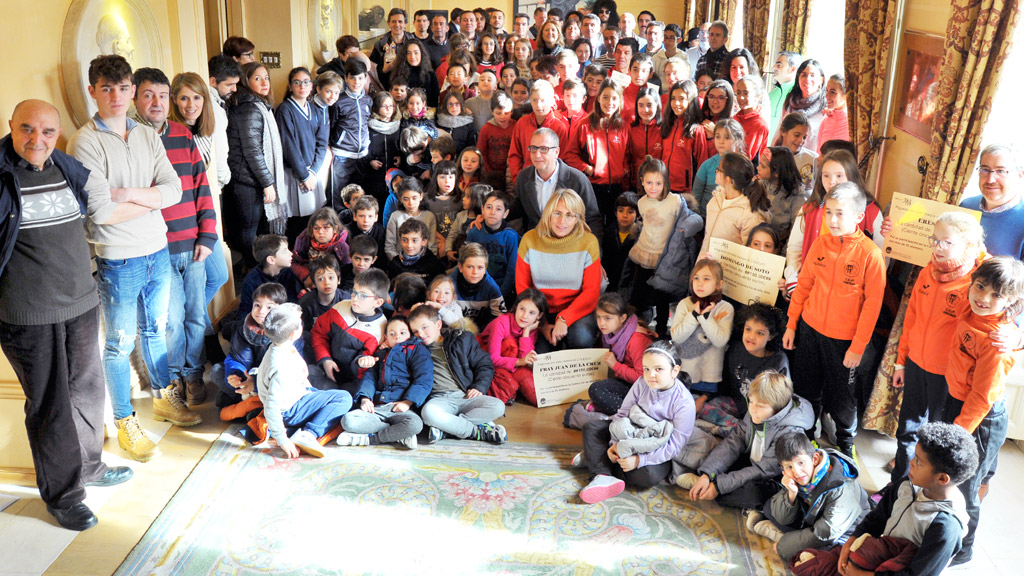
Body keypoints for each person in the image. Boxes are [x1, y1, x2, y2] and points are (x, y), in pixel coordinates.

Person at [0, 99, 134, 530]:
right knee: (52, 406)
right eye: (26, 129)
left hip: (80, 302)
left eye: (47, 132)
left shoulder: (63, 165)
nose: (36, 140)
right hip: (28, 314)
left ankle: (90, 466)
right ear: (10, 127)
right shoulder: (2, 175)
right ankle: (63, 495)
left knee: (89, 392)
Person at [68, 55, 184, 463]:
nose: (116, 96)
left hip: (157, 248)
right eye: (106, 88)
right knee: (119, 344)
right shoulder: (85, 141)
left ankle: (165, 398)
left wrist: (129, 195)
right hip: (118, 257)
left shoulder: (146, 134)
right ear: (92, 91)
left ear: (132, 90)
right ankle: (125, 423)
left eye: (122, 88)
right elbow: (100, 212)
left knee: (155, 330)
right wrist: (148, 199)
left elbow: (174, 191)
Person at [132, 67, 217, 408]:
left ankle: (196, 374)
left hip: (193, 245)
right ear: (135, 97)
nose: (156, 102)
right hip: (158, 249)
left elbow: (202, 189)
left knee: (197, 314)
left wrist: (207, 237)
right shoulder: (133, 140)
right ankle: (176, 376)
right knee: (171, 319)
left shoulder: (182, 134)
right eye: (148, 95)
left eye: (163, 96)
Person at [782, 183, 885, 459]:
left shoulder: (870, 255)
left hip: (845, 341)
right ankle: (806, 435)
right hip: (810, 330)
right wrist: (792, 323)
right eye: (829, 213)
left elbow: (872, 307)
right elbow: (803, 285)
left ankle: (845, 441)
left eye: (840, 214)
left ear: (858, 217)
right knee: (806, 388)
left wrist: (858, 346)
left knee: (842, 398)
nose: (833, 220)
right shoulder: (820, 244)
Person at [940, 256, 1024, 566]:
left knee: (967, 485)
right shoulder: (969, 306)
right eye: (980, 287)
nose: (983, 298)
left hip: (980, 417)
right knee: (952, 475)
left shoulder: (996, 339)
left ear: (1012, 300)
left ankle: (964, 548)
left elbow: (983, 397)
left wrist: (959, 432)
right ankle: (943, 525)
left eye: (996, 295)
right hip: (958, 401)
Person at [829, 422, 977, 576]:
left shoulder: (946, 527)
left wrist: (862, 575)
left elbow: (918, 573)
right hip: (882, 556)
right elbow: (877, 518)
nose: (911, 463)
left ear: (941, 478)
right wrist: (852, 540)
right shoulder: (907, 484)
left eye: (918, 461)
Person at [577, 341, 696, 504]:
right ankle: (603, 476)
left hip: (654, 447)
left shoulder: (685, 403)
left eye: (658, 369)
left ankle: (597, 459)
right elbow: (622, 414)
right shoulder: (642, 383)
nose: (650, 375)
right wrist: (615, 443)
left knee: (646, 476)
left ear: (674, 371)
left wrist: (639, 460)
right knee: (592, 427)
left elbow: (673, 446)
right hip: (629, 432)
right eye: (646, 369)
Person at [680, 371, 814, 512]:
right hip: (753, 459)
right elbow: (735, 441)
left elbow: (763, 470)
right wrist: (708, 473)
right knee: (717, 458)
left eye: (760, 406)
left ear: (777, 409)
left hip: (772, 476)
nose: (752, 410)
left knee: (752, 494)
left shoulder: (788, 433)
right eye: (751, 402)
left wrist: (719, 486)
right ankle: (705, 482)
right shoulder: (755, 412)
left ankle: (723, 495)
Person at [755, 432, 870, 563]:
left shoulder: (841, 487)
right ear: (783, 469)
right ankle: (788, 538)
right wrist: (791, 493)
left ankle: (780, 537)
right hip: (814, 519)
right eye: (789, 467)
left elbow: (825, 533)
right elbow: (782, 516)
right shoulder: (800, 476)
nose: (796, 472)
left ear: (814, 459)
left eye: (801, 463)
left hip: (844, 534)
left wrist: (783, 547)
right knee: (771, 508)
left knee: (823, 561)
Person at [258, 303, 352, 458]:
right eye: (300, 321)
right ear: (294, 333)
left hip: (298, 394)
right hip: (289, 410)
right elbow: (272, 406)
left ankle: (297, 427)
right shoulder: (282, 367)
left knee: (323, 388)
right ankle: (308, 434)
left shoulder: (281, 345)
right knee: (344, 398)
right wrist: (283, 440)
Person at [516, 188, 601, 351]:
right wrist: (542, 325)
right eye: (557, 213)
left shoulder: (589, 242)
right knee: (539, 352)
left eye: (569, 215)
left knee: (580, 338)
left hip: (577, 309)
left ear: (578, 219)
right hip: (540, 310)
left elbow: (591, 292)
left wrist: (564, 318)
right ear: (548, 214)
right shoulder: (529, 240)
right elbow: (523, 288)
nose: (562, 221)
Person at [408, 304, 508, 443]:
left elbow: (484, 364)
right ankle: (476, 431)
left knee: (498, 406)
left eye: (425, 327)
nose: (421, 334)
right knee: (428, 413)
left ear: (438, 324)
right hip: (439, 400)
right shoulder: (415, 350)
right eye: (415, 331)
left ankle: (446, 429)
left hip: (464, 395)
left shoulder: (462, 339)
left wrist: (479, 387)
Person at [337, 315, 432, 449]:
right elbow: (370, 377)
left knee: (415, 425)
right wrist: (365, 398)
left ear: (410, 335)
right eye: (392, 334)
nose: (397, 337)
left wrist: (407, 402)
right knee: (348, 421)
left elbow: (424, 379)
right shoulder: (381, 354)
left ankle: (371, 438)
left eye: (402, 333)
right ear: (386, 337)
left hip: (402, 408)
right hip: (378, 408)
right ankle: (397, 434)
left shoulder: (416, 350)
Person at [225, 61, 285, 268]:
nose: (264, 82)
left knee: (253, 229)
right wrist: (268, 182)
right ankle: (254, 270)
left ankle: (257, 269)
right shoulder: (248, 108)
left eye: (266, 78)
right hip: (245, 179)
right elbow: (252, 151)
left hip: (249, 178)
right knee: (248, 230)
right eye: (257, 78)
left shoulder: (255, 104)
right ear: (245, 81)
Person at [509, 128, 602, 236]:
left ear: (556, 152)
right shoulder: (523, 177)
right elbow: (518, 208)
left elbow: (593, 219)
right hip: (537, 244)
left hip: (569, 245)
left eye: (543, 149)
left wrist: (593, 250)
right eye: (533, 148)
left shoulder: (577, 180)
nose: (537, 155)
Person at [670, 258, 734, 409]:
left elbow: (720, 340)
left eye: (706, 279)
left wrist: (705, 318)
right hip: (684, 374)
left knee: (703, 412)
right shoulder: (685, 304)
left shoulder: (726, 308)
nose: (700, 283)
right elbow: (677, 337)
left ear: (719, 285)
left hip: (709, 377)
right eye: (696, 278)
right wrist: (693, 315)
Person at [625, 156, 680, 331]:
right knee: (640, 290)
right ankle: (637, 326)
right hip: (645, 251)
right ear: (642, 182)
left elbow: (683, 223)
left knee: (662, 295)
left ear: (665, 181)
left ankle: (662, 330)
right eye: (649, 183)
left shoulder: (674, 202)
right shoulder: (641, 202)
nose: (653, 188)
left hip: (664, 255)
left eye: (658, 183)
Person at [311, 268, 389, 390]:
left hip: (350, 380)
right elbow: (318, 332)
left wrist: (361, 363)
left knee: (346, 392)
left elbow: (365, 372)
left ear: (378, 302)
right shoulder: (341, 307)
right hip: (324, 363)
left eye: (362, 296)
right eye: (354, 292)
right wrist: (325, 358)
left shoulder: (378, 331)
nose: (355, 299)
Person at [564, 78, 630, 220]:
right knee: (593, 225)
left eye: (614, 98)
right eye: (605, 97)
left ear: (619, 101)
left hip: (617, 187)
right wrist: (587, 169)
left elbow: (628, 154)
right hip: (592, 186)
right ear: (598, 98)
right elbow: (570, 155)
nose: (610, 103)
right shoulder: (584, 125)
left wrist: (624, 168)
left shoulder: (623, 126)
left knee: (613, 228)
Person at [275, 67, 329, 229]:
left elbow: (322, 142)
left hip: (313, 171)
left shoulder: (314, 109)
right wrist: (304, 176)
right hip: (296, 173)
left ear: (312, 86)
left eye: (306, 82)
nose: (302, 86)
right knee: (298, 221)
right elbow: (288, 145)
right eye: (297, 83)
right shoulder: (285, 110)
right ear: (290, 86)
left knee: (315, 218)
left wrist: (313, 171)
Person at [584, 293, 655, 416]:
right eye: (598, 317)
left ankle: (633, 414)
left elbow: (643, 377)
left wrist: (616, 365)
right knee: (593, 387)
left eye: (607, 318)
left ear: (622, 318)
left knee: (596, 390)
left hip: (643, 387)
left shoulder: (636, 339)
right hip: (626, 381)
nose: (601, 323)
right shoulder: (608, 333)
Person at [479, 289, 546, 405]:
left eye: (532, 313)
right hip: (488, 361)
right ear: (516, 307)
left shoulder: (531, 328)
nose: (524, 316)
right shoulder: (501, 323)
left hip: (513, 364)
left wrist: (526, 332)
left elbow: (526, 358)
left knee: (538, 396)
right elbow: (493, 358)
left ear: (539, 316)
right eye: (522, 309)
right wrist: (520, 361)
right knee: (510, 344)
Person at [957, 144, 1024, 259]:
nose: (990, 179)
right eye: (985, 169)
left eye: (1001, 171)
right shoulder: (966, 206)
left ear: (1019, 176)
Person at [699, 151, 770, 255]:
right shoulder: (716, 199)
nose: (716, 171)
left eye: (719, 170)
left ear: (729, 179)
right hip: (705, 263)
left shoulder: (749, 214)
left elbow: (748, 252)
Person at [506, 79, 568, 187]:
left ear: (552, 100)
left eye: (543, 100)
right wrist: (518, 178)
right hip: (526, 179)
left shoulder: (560, 126)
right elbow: (514, 154)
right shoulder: (522, 123)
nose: (538, 105)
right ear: (530, 100)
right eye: (535, 100)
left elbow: (563, 158)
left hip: (552, 181)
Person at [330, 59, 372, 204]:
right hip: (343, 155)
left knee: (361, 197)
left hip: (362, 156)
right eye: (352, 77)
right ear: (346, 78)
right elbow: (331, 127)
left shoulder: (367, 101)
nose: (356, 81)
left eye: (360, 77)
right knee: (340, 196)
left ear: (366, 78)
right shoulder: (338, 101)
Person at [466, 189, 519, 303]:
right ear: (482, 209)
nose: (492, 212)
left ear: (505, 213)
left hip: (501, 288)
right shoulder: (474, 232)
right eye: (489, 207)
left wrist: (500, 295)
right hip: (475, 286)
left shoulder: (510, 236)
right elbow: (467, 262)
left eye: (498, 209)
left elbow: (511, 271)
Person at [757, 146, 808, 245]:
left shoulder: (796, 196)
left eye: (763, 166)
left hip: (779, 248)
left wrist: (785, 255)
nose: (758, 168)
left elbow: (796, 230)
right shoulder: (762, 184)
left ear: (776, 172)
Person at [290, 206, 350, 288]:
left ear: (335, 229)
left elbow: (348, 271)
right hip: (309, 280)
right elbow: (294, 262)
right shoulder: (303, 240)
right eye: (316, 228)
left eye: (326, 228)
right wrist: (307, 276)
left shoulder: (342, 247)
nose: (320, 232)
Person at [783, 60, 827, 152]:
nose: (807, 79)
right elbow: (780, 131)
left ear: (821, 80)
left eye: (812, 75)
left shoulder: (826, 107)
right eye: (804, 75)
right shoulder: (791, 101)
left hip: (812, 160)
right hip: (787, 157)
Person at [477, 92, 516, 190]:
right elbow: (481, 152)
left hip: (511, 172)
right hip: (491, 174)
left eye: (506, 113)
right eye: (498, 113)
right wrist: (488, 171)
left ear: (511, 111)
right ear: (492, 111)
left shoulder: (516, 126)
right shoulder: (486, 129)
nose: (502, 117)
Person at [734, 75, 770, 161]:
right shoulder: (736, 118)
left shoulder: (759, 124)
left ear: (758, 96)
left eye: (746, 93)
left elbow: (745, 157)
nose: (741, 97)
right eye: (738, 93)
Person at [370, 8, 409, 84]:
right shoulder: (379, 45)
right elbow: (372, 72)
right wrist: (384, 70)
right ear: (388, 23)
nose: (397, 25)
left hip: (409, 85)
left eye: (400, 22)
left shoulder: (414, 44)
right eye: (393, 21)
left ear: (405, 24)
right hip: (387, 86)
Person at [768, 51, 800, 143]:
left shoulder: (797, 94)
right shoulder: (771, 94)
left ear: (792, 69)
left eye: (779, 65)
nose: (774, 68)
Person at [816, 74, 850, 154]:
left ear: (845, 95)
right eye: (826, 90)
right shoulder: (825, 121)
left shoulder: (851, 123)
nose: (827, 95)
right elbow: (818, 153)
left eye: (833, 92)